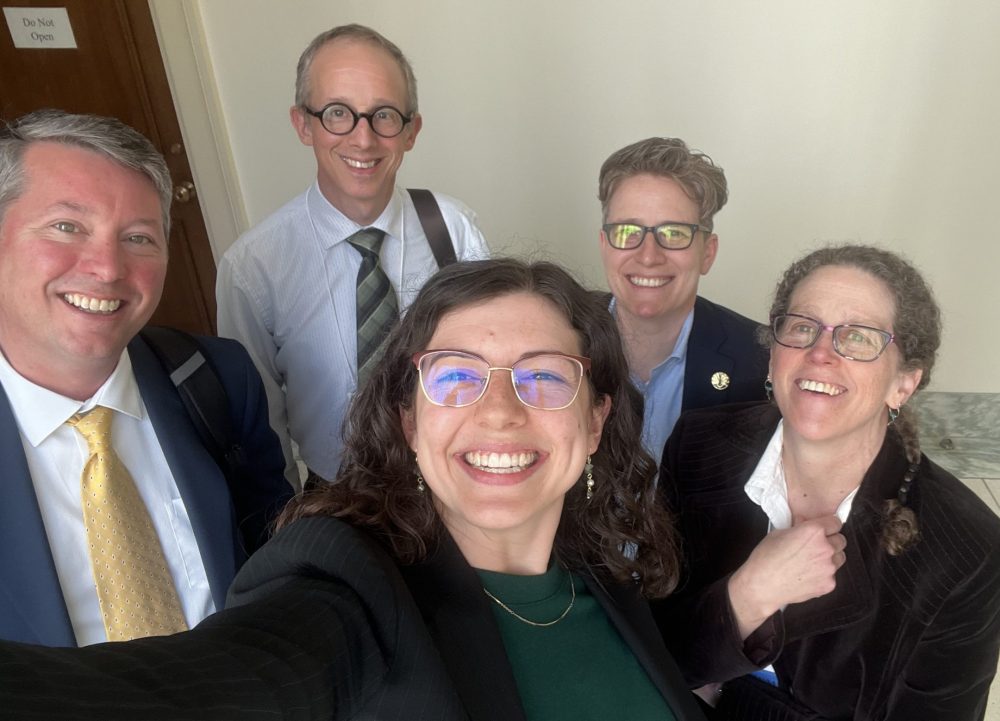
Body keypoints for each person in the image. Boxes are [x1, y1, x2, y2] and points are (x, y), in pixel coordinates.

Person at [0, 258, 708, 721]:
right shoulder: (347, 581)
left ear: (594, 420)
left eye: (545, 375)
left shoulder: (603, 567)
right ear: (408, 418)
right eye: (456, 375)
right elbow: (214, 683)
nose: (498, 411)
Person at [654, 245, 1000, 719]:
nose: (820, 354)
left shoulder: (969, 551)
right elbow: (649, 651)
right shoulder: (698, 446)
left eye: (858, 338)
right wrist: (748, 596)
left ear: (903, 383)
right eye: (802, 327)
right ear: (774, 354)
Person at [0, 109, 292, 647]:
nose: (108, 267)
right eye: (68, 226)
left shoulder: (217, 380)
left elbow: (279, 565)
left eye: (138, 238)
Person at [217, 24, 489, 486]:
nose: (363, 140)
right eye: (338, 113)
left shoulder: (453, 229)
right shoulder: (254, 267)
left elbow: (489, 362)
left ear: (411, 131)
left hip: (455, 481)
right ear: (303, 123)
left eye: (383, 115)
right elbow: (261, 422)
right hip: (338, 494)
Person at [598, 137, 768, 464]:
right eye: (627, 232)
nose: (648, 256)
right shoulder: (560, 343)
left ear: (708, 253)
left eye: (674, 234)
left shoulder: (761, 363)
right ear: (605, 245)